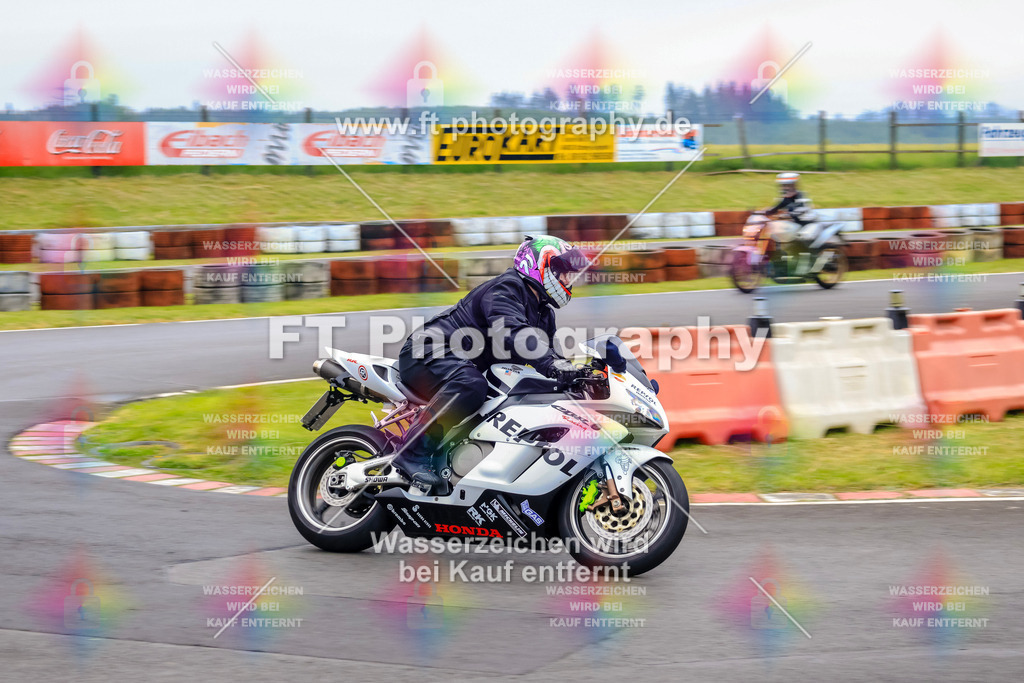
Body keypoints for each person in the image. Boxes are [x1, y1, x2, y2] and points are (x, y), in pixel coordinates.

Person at [393, 235, 586, 492]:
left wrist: (579, 377)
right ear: (539, 265)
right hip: (427, 351)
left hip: (456, 364)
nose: (568, 280)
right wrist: (553, 363)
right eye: (562, 272)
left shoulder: (543, 312)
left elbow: (547, 357)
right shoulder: (506, 289)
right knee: (470, 384)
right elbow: (515, 333)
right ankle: (411, 452)